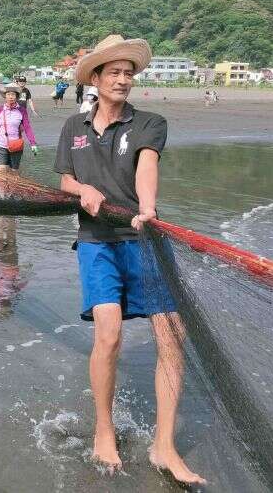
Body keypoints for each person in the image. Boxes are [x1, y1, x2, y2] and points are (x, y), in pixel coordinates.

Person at [53, 34, 205, 485]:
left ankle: (164, 445)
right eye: (113, 72)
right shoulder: (73, 129)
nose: (122, 80)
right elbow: (63, 181)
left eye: (128, 73)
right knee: (109, 334)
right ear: (95, 79)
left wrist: (148, 208)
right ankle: (104, 430)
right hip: (96, 243)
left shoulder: (149, 123)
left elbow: (146, 166)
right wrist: (84, 190)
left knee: (171, 335)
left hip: (142, 240)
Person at [0, 85, 38, 172]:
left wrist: (33, 144)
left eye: (13, 94)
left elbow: (27, 128)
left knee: (14, 174)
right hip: (1, 145)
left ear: (17, 97)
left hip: (16, 146)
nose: (11, 97)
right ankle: (2, 186)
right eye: (8, 94)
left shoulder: (22, 110)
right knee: (1, 171)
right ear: (5, 96)